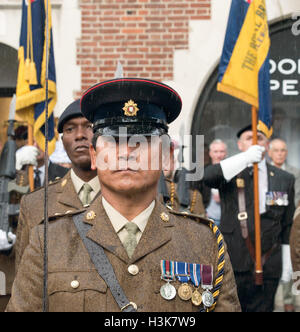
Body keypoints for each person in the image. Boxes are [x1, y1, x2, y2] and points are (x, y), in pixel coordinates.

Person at [7, 78, 241, 312]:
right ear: (94, 154)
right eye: (113, 141)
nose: (127, 152)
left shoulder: (203, 242)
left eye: (143, 140)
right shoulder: (49, 240)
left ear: (167, 155)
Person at [204, 125, 295, 312]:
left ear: (267, 145)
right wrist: (245, 158)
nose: (255, 141)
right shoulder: (230, 172)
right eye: (248, 138)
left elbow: (286, 223)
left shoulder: (283, 178)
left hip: (269, 261)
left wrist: (287, 260)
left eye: (260, 138)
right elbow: (208, 177)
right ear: (239, 144)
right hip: (236, 259)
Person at [14, 99, 101, 270]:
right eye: (70, 129)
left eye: (89, 126)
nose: (79, 135)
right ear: (62, 140)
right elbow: (25, 281)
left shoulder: (125, 196)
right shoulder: (35, 204)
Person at [268, 138, 299, 312]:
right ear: (270, 152)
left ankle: (288, 300)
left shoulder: (295, 173)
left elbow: (296, 198)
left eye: (283, 150)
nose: (280, 153)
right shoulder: (263, 172)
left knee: (289, 263)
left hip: (290, 222)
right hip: (270, 225)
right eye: (277, 150)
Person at [158, 140, 205, 216]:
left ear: (174, 162)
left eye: (166, 160)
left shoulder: (194, 196)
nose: (163, 165)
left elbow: (202, 223)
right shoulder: (148, 192)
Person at [268, 138, 300, 206]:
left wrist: (272, 198)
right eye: (276, 150)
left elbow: (297, 196)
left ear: (286, 152)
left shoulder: (296, 172)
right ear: (269, 153)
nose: (279, 154)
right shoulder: (264, 171)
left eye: (282, 150)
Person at [203, 139, 227, 226]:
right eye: (215, 151)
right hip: (209, 218)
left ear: (226, 153)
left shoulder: (231, 171)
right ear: (210, 153)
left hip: (227, 219)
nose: (219, 155)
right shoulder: (203, 172)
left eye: (221, 151)